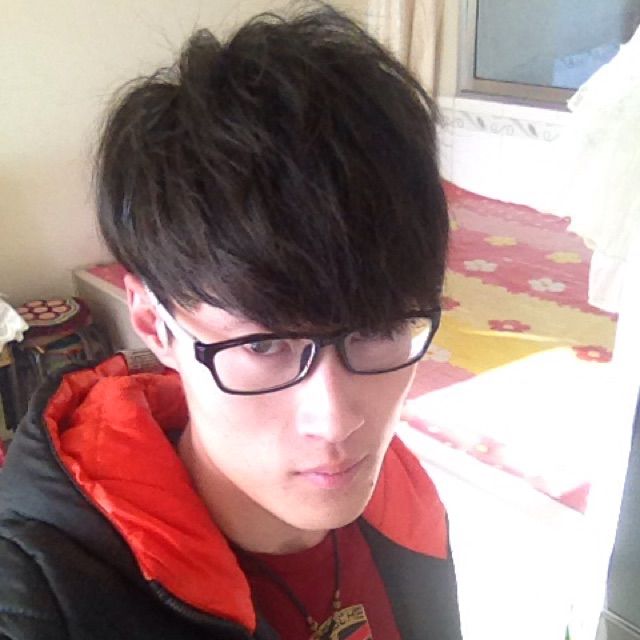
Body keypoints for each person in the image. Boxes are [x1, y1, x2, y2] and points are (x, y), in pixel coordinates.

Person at [0, 4, 461, 639]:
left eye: (378, 328)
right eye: (264, 344)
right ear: (154, 324)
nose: (336, 422)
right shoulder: (47, 596)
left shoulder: (401, 498)